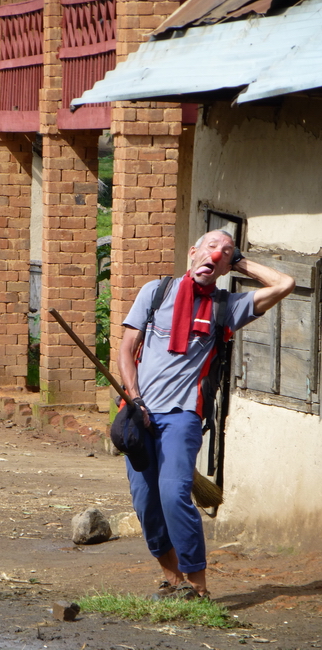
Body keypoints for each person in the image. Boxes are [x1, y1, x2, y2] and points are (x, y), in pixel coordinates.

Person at [117, 230, 294, 599]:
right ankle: (171, 579)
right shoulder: (156, 292)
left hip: (182, 415)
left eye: (225, 253)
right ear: (192, 252)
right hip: (139, 413)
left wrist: (240, 261)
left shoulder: (227, 306)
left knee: (174, 494)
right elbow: (127, 348)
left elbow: (285, 284)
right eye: (211, 247)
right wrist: (135, 399)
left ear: (226, 266)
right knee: (145, 502)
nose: (217, 255)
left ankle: (198, 587)